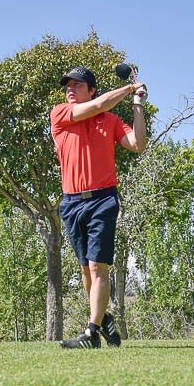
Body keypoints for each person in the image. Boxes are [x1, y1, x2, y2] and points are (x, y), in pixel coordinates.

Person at [51, 66, 147, 348]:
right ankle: (103, 319)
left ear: (91, 88)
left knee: (97, 267)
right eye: (68, 85)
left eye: (77, 85)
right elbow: (98, 105)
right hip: (71, 202)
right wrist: (129, 88)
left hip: (103, 199)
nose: (70, 89)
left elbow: (138, 144)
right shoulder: (60, 113)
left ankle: (91, 333)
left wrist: (137, 105)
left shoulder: (112, 120)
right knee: (85, 269)